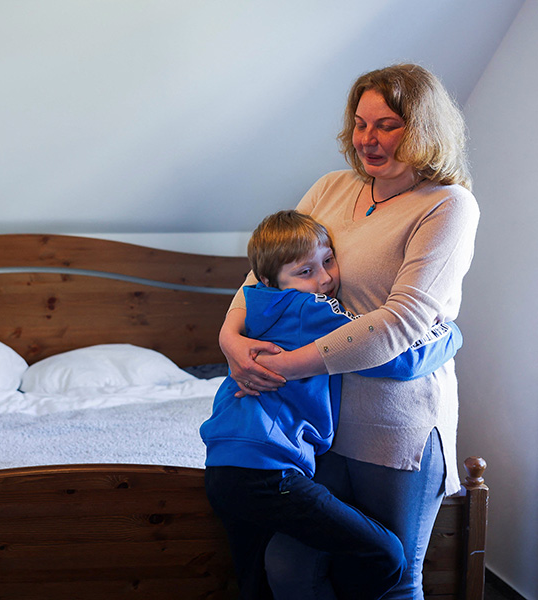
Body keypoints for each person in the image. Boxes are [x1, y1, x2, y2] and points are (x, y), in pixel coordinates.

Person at [218, 64, 479, 599]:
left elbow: (401, 323)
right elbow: (262, 276)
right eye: (360, 124)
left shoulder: (446, 205)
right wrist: (231, 341)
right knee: (289, 565)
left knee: (393, 576)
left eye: (387, 125)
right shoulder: (331, 188)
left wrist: (281, 367)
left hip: (394, 421)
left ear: (424, 129)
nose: (366, 139)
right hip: (319, 422)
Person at [202, 210, 462, 600]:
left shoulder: (253, 306)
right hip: (269, 472)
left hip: (222, 468)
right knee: (386, 554)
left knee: (255, 585)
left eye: (328, 260)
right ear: (269, 280)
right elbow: (396, 357)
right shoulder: (311, 309)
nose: (324, 279)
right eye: (305, 271)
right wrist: (452, 334)